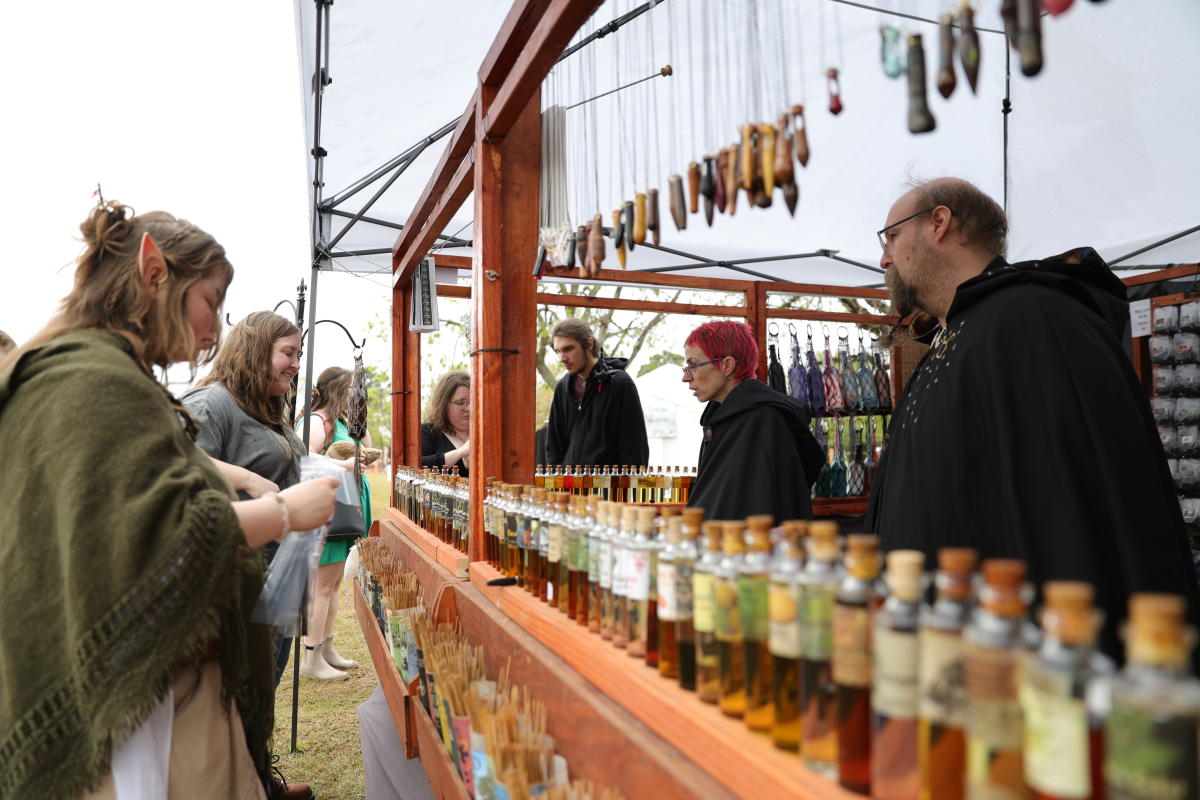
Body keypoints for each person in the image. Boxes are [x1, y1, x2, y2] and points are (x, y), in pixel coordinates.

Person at [0, 201, 336, 800]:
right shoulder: (89, 380)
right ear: (154, 273)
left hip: (158, 697)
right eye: (210, 301)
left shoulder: (103, 373)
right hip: (138, 718)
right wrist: (285, 512)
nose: (214, 328)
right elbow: (157, 542)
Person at [865, 176, 1200, 662]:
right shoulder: (950, 338)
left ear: (939, 223)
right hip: (941, 648)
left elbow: (1068, 509)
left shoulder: (1034, 316)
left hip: (1020, 656)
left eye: (891, 236)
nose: (884, 258)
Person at [184, 311, 313, 691]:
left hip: (280, 576)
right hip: (236, 584)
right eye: (288, 353)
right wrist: (247, 479)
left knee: (261, 694)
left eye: (299, 354)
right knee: (235, 700)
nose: (296, 364)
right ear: (255, 351)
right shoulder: (213, 402)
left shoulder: (268, 408)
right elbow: (172, 460)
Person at [682, 320, 825, 522]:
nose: (686, 378)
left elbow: (766, 505)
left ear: (726, 365)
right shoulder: (722, 418)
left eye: (693, 366)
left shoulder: (764, 420)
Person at [295, 365, 372, 680]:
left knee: (333, 583)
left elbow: (362, 439)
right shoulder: (316, 421)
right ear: (340, 390)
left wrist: (358, 417)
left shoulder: (340, 421)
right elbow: (303, 456)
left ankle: (326, 648)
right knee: (321, 586)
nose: (358, 395)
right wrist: (345, 463)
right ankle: (311, 658)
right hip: (328, 512)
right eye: (354, 390)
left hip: (343, 509)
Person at [546, 318, 649, 468]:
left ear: (589, 344)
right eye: (558, 351)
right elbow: (554, 449)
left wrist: (627, 490)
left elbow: (634, 450)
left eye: (568, 349)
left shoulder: (619, 384)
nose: (562, 358)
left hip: (608, 489)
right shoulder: (563, 387)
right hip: (568, 489)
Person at [421, 370, 471, 476]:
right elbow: (418, 466)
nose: (469, 408)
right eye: (461, 403)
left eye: (474, 401)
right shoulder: (428, 432)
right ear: (444, 404)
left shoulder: (485, 432)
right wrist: (460, 453)